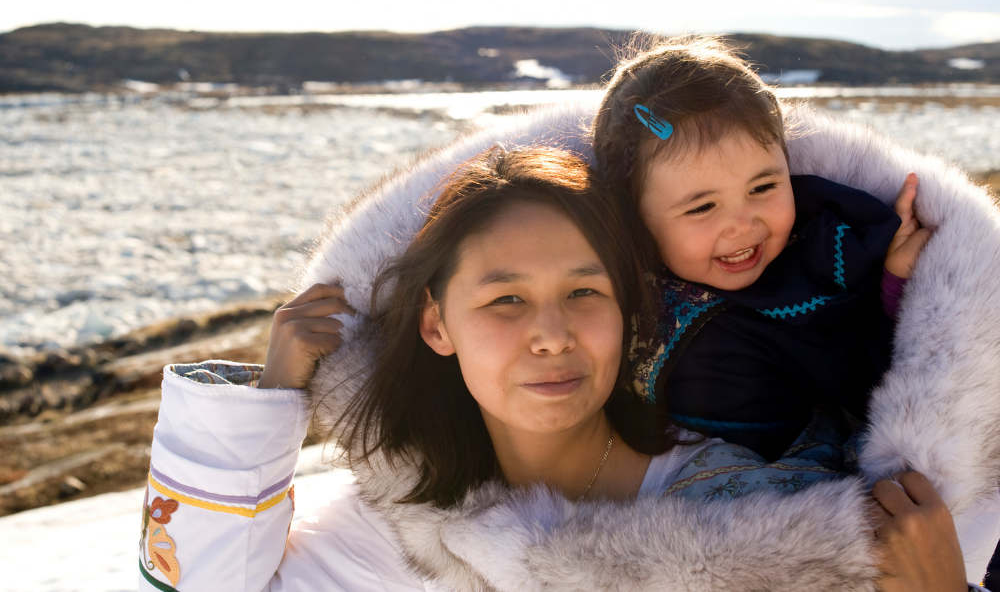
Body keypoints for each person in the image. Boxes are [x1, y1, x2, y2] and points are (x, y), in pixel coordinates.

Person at [139, 146, 980, 592]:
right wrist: (274, 395)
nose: (551, 335)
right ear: (437, 323)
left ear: (631, 313)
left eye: (585, 291)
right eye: (504, 300)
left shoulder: (747, 512)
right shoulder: (396, 522)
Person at [591, 36, 934, 460]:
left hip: (797, 480)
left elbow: (870, 380)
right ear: (631, 215)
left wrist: (893, 279)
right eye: (701, 207)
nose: (743, 225)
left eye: (764, 186)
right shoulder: (598, 281)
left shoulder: (817, 267)